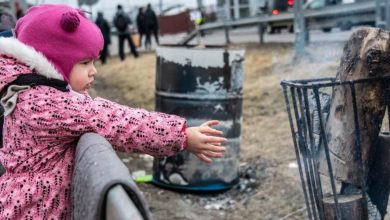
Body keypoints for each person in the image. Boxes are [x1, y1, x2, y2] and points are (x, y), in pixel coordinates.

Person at [0, 4, 227, 219]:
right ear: (53, 62)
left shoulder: (34, 93)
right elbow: (118, 122)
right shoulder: (47, 104)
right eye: (85, 62)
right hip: (34, 211)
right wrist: (182, 135)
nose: (94, 71)